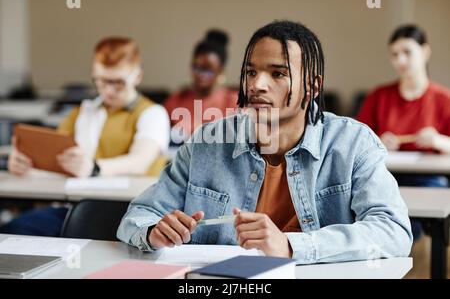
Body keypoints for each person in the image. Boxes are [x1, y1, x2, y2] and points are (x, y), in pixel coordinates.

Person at [117, 20, 412, 263]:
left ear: (312, 87)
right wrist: (153, 231)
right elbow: (138, 216)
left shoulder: (353, 143)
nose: (257, 84)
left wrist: (291, 246)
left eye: (278, 73)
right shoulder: (206, 143)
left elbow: (393, 231)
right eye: (250, 72)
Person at [1, 37, 170, 236]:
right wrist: (26, 164)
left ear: (137, 77)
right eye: (101, 80)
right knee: (14, 231)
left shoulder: (153, 113)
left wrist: (94, 168)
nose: (108, 90)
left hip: (130, 212)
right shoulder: (83, 112)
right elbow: (54, 157)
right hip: (77, 205)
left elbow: (139, 162)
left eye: (117, 82)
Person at [357, 24, 450, 239]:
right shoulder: (378, 96)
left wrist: (438, 141)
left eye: (407, 52)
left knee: (412, 218)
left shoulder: (443, 99)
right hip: (386, 175)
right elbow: (358, 142)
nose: (400, 60)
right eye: (394, 54)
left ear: (425, 52)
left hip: (429, 178)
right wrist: (378, 142)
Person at [163, 29, 238, 143]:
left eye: (208, 70)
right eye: (197, 68)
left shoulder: (234, 101)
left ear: (221, 71)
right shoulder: (176, 100)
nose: (201, 75)